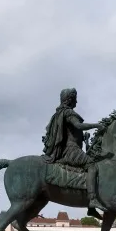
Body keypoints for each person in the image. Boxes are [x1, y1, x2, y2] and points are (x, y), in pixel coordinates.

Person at [42, 87, 106, 215]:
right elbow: (78, 126)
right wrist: (97, 125)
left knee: (86, 168)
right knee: (92, 166)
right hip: (70, 150)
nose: (76, 102)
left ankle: (91, 208)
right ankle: (92, 200)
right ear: (70, 99)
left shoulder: (59, 114)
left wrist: (84, 138)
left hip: (69, 148)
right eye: (75, 99)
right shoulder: (68, 113)